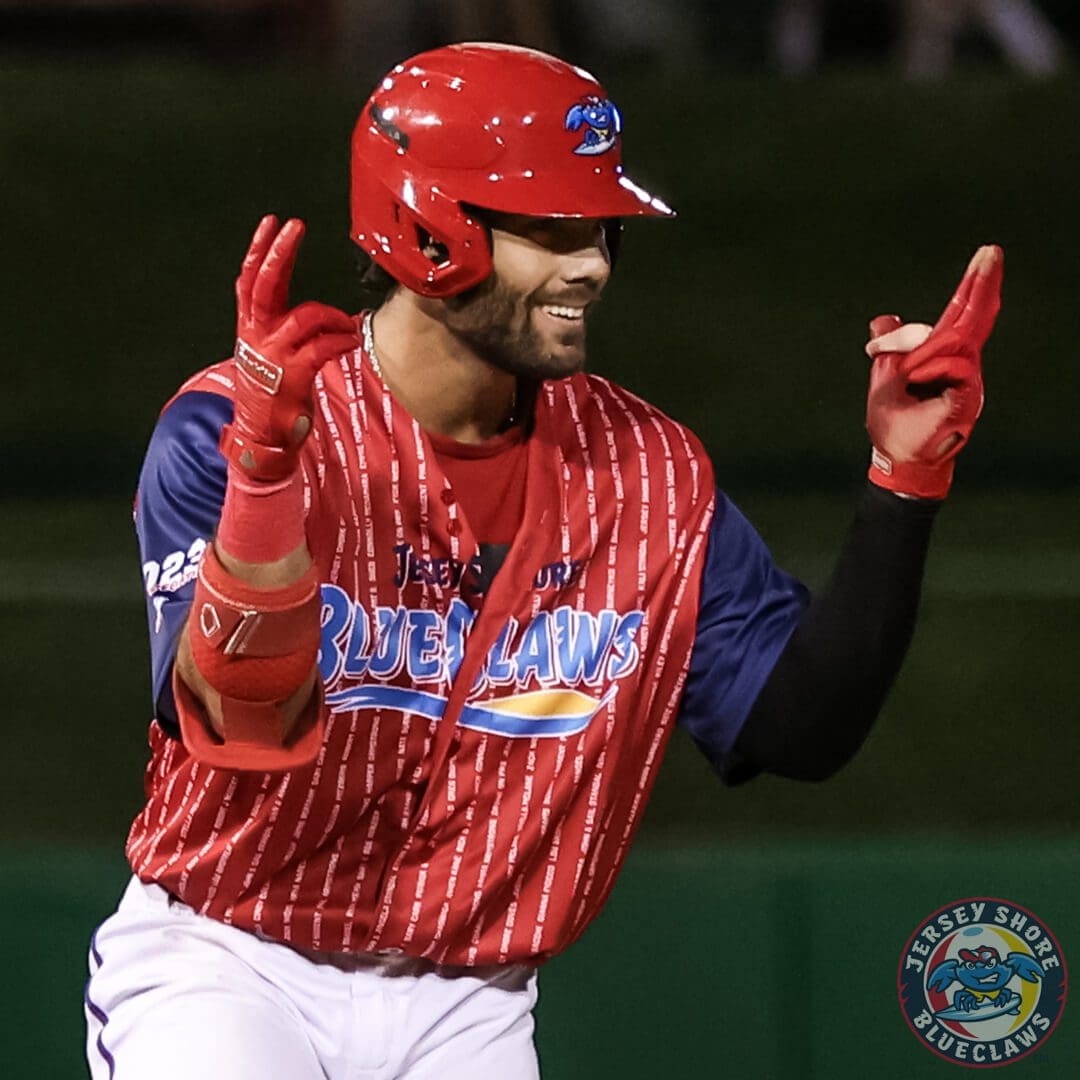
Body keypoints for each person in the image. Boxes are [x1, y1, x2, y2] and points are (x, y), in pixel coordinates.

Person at [84, 42, 1002, 1080]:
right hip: (230, 961)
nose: (594, 263)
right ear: (427, 228)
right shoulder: (239, 425)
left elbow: (799, 731)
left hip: (472, 1004)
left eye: (599, 226)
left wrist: (903, 483)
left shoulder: (651, 473)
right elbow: (241, 727)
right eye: (551, 228)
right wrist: (261, 480)